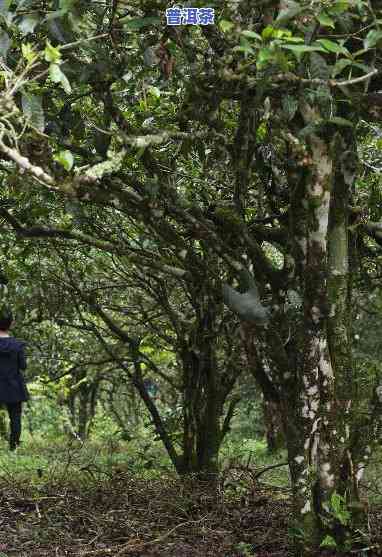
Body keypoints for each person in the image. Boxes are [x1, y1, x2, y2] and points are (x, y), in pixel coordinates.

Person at [0, 308, 29, 451]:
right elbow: (23, 366)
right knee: (15, 418)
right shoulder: (17, 345)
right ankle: (14, 447)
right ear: (11, 324)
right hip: (14, 386)